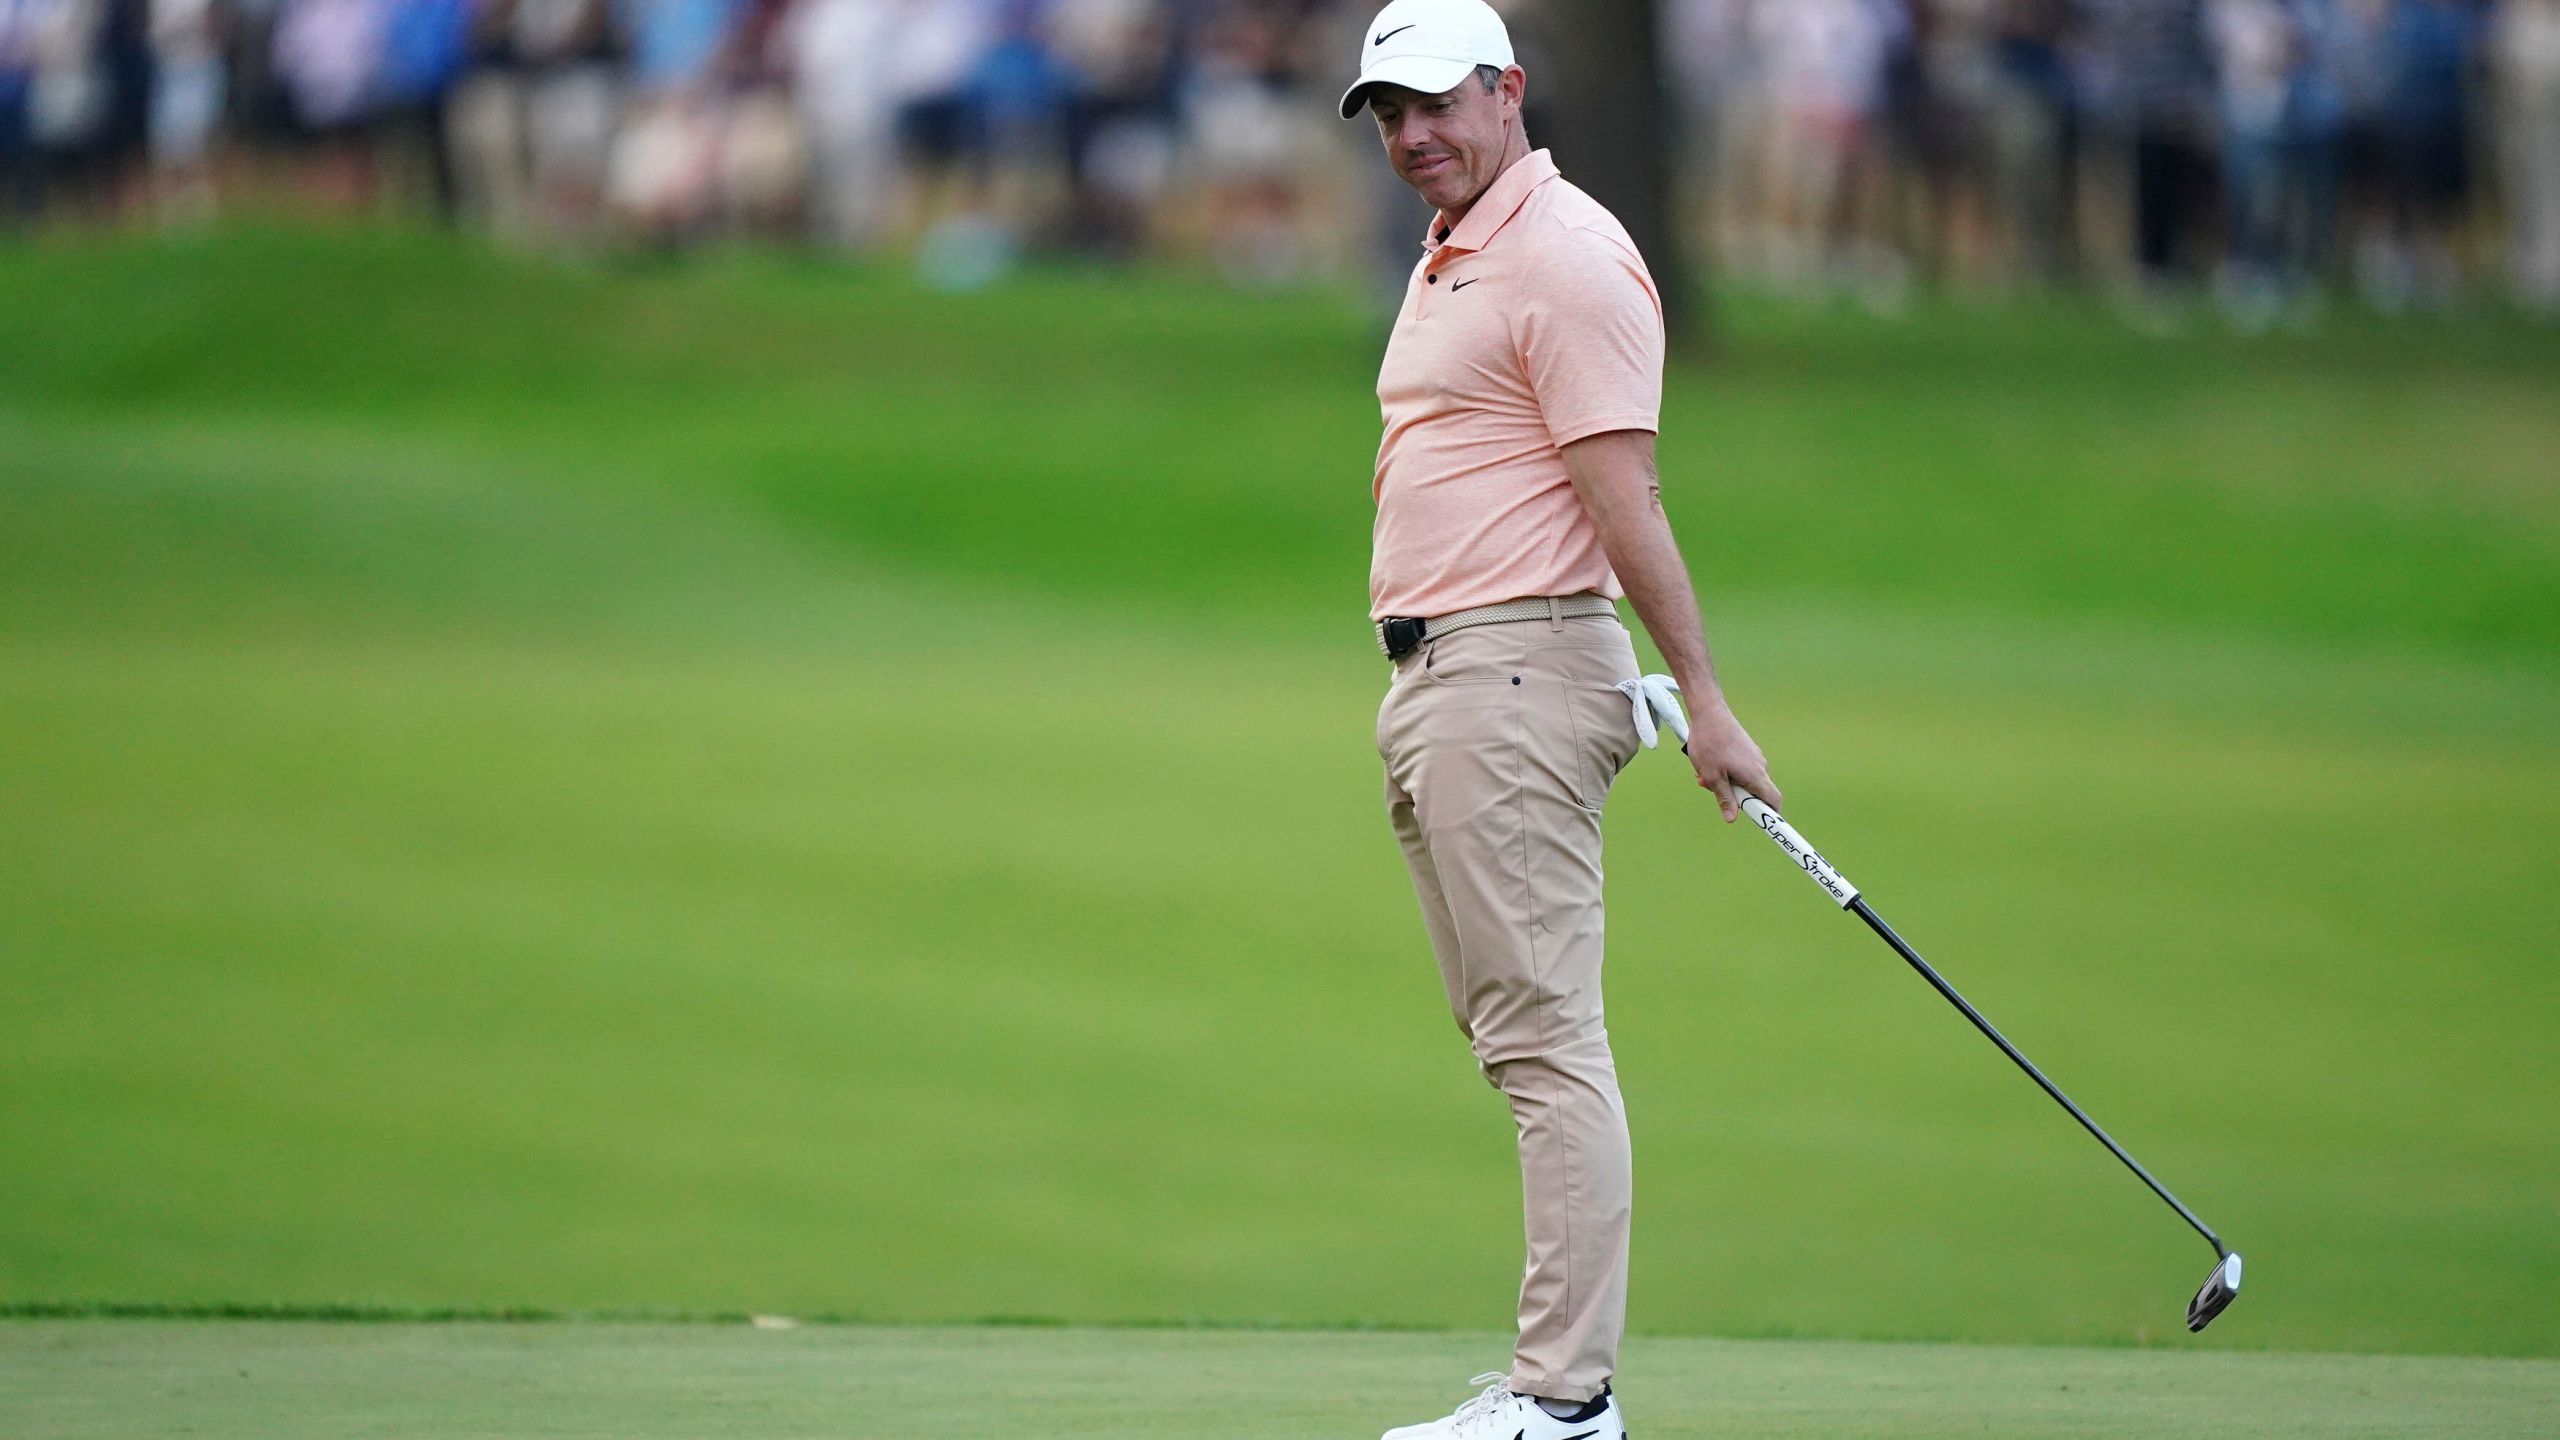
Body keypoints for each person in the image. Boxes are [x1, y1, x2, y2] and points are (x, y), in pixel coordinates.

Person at [1338, 2, 1781, 1436]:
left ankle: (1567, 1401)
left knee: (1547, 1046)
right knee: (1515, 1038)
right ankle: (1556, 1389)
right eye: (1388, 116)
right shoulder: (1457, 250)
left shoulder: (1568, 255)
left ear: (1508, 89)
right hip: (1458, 676)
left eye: (1435, 106)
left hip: (1508, 676)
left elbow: (1621, 493)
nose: (1412, 137)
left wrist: (1703, 695)